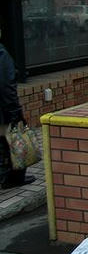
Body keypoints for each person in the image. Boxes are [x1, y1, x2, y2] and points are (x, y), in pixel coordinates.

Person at [0, 42, 34, 189]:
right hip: (3, 111)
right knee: (13, 143)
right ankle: (13, 178)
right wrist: (14, 112)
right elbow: (5, 85)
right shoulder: (1, 53)